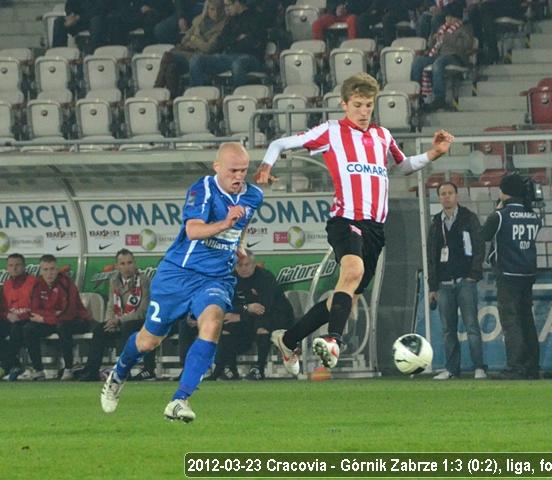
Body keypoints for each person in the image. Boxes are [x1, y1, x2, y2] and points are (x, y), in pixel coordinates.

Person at [254, 72, 454, 374]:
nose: (363, 112)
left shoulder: (382, 136)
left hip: (375, 228)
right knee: (353, 271)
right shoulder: (331, 131)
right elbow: (280, 143)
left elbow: (403, 166)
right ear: (344, 104)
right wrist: (266, 165)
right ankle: (333, 341)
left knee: (345, 294)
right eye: (358, 105)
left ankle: (289, 340)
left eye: (368, 106)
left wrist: (433, 154)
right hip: (345, 218)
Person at [100, 142, 263, 422]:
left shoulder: (253, 195)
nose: (239, 176)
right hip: (178, 274)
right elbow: (193, 230)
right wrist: (225, 223)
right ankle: (119, 373)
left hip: (217, 277)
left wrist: (240, 243)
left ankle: (180, 400)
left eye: (244, 171)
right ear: (217, 168)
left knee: (212, 322)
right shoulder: (203, 190)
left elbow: (243, 223)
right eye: (233, 170)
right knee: (148, 341)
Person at [480, 174, 543, 380]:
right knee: (527, 319)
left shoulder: (501, 215)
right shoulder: (533, 215)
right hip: (528, 272)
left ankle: (515, 365)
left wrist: (497, 209)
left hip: (507, 273)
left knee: (511, 321)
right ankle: (532, 365)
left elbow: (484, 235)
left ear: (504, 191)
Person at [427, 182, 486, 380]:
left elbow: (479, 247)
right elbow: (431, 255)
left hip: (465, 281)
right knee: (448, 330)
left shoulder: (469, 218)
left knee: (471, 326)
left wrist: (474, 274)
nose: (447, 197)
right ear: (439, 197)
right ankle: (452, 369)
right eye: (443, 194)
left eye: (450, 193)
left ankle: (479, 367)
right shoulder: (436, 222)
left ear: (457, 196)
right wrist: (432, 286)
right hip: (444, 284)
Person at [216, 249, 294, 381]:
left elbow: (265, 308)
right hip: (249, 317)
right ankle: (230, 369)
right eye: (239, 265)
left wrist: (241, 315)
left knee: (261, 324)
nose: (243, 268)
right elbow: (227, 305)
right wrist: (246, 308)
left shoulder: (265, 277)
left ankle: (259, 368)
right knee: (227, 325)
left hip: (276, 316)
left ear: (254, 264)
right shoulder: (231, 279)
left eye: (247, 265)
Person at [77, 250, 152, 382]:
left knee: (127, 327)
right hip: (119, 321)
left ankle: (124, 371)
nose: (126, 267)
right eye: (122, 263)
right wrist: (109, 321)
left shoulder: (144, 280)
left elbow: (143, 311)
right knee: (100, 329)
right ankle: (92, 371)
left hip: (138, 322)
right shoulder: (114, 281)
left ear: (134, 263)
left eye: (129, 263)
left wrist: (119, 320)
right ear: (117, 266)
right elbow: (111, 305)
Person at [21, 255, 93, 380]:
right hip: (53, 322)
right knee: (28, 328)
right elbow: (35, 310)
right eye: (46, 269)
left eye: (52, 269)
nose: (49, 273)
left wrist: (44, 318)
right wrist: (52, 316)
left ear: (57, 269)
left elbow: (69, 313)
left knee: (63, 326)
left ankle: (68, 368)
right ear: (41, 270)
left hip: (77, 320)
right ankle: (39, 370)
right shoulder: (37, 284)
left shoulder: (66, 283)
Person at [187, 0, 266, 92]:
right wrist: (237, 39)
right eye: (225, 6)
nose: (226, 9)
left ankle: (238, 100)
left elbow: (253, 43)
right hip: (228, 56)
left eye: (228, 5)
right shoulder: (230, 20)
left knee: (237, 64)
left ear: (237, 3)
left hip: (251, 57)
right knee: (196, 60)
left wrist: (233, 41)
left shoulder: (255, 17)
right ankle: (200, 97)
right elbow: (221, 41)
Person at [154, 0, 227, 98]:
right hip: (188, 53)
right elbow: (184, 40)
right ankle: (172, 97)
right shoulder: (198, 20)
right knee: (171, 67)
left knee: (168, 55)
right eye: (212, 9)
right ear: (207, 9)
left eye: (219, 10)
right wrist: (197, 42)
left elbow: (208, 48)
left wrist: (194, 39)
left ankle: (157, 91)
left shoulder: (223, 25)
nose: (216, 13)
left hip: (203, 57)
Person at [411, 2, 474, 111]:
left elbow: (466, 45)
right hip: (439, 55)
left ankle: (439, 98)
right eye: (447, 17)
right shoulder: (441, 29)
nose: (447, 20)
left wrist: (447, 38)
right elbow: (431, 45)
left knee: (438, 63)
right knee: (418, 61)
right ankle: (416, 93)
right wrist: (434, 38)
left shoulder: (465, 28)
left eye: (450, 17)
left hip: (455, 57)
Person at [0, 253, 37, 381]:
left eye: (17, 265)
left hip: (28, 319)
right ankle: (15, 364)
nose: (14, 268)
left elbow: (39, 306)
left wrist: (22, 316)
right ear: (7, 268)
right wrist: (7, 315)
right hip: (11, 320)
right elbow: (3, 309)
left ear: (24, 266)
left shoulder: (34, 282)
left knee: (17, 330)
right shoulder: (6, 285)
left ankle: (5, 366)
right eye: (11, 265)